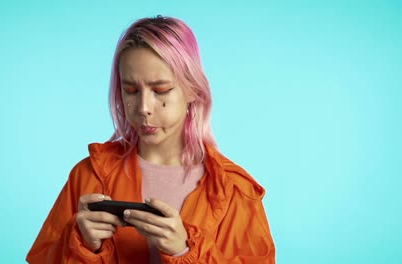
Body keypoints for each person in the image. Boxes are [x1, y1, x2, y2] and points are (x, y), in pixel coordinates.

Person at [26, 15, 275, 263]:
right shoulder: (88, 175)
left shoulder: (234, 191)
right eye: (131, 90)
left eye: (161, 90)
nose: (143, 107)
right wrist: (83, 245)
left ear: (193, 90)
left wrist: (183, 253)